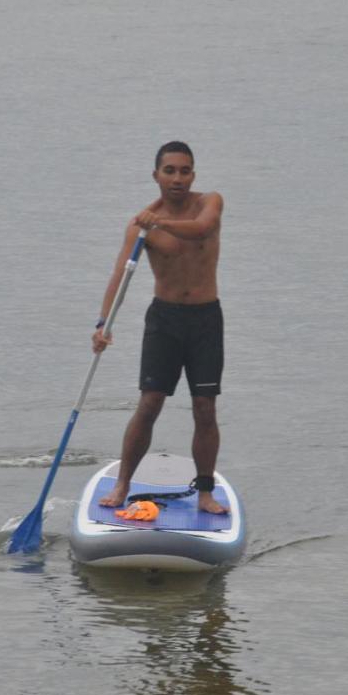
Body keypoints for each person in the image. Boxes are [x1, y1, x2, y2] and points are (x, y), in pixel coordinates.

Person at [92, 141, 228, 514]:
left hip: (205, 320)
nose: (178, 178)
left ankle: (205, 491)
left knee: (204, 407)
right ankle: (122, 484)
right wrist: (104, 325)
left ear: (193, 175)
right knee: (150, 403)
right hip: (165, 320)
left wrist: (162, 223)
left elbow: (201, 230)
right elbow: (120, 277)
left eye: (185, 171)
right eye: (170, 171)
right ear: (156, 176)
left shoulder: (209, 203)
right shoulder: (141, 225)